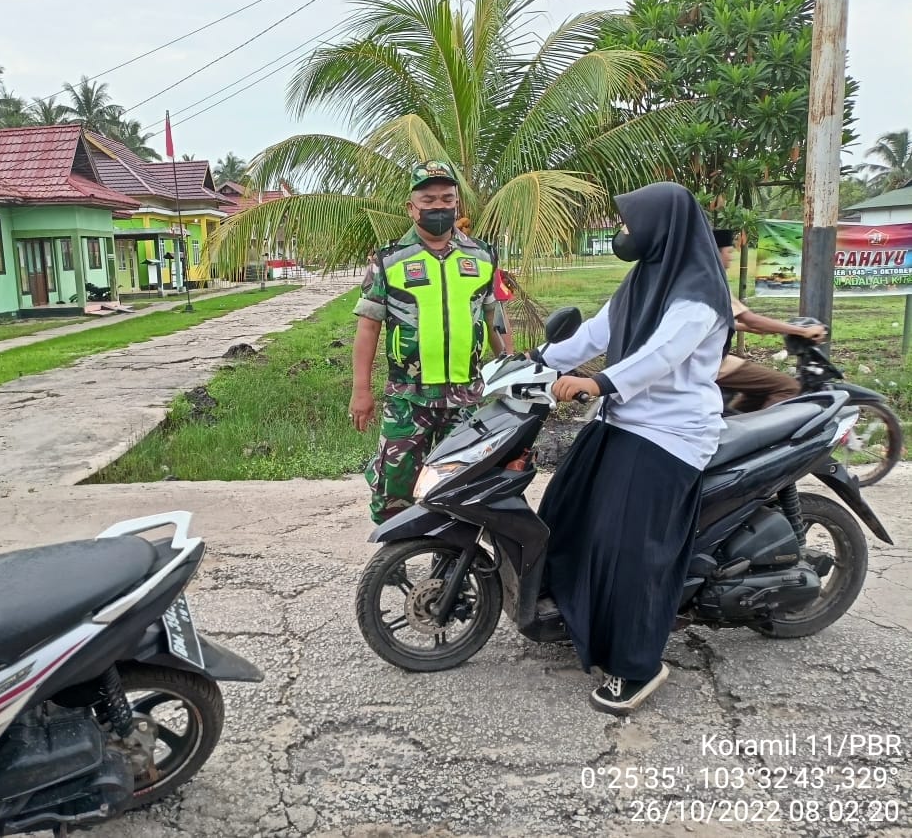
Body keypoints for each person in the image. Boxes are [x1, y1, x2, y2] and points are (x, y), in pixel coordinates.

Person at [532, 181, 735, 716]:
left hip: (671, 434)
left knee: (630, 547)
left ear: (658, 228)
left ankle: (637, 666)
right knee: (564, 506)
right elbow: (597, 334)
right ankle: (579, 615)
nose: (623, 233)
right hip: (626, 419)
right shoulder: (644, 279)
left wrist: (598, 384)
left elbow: (662, 356)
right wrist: (539, 360)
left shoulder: (697, 296)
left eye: (628, 224)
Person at [350, 160, 510, 525]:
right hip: (408, 397)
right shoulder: (388, 260)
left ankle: (450, 563)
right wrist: (361, 391)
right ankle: (395, 554)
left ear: (457, 204)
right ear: (412, 207)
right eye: (428, 199)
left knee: (462, 485)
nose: (438, 206)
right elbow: (368, 328)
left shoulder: (482, 256)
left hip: (466, 397)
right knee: (394, 486)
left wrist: (510, 370)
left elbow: (495, 318)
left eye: (446, 198)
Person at [712, 229, 827, 410]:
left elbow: (708, 322)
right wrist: (802, 331)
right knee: (788, 387)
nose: (732, 258)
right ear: (715, 252)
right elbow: (752, 319)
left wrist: (745, 328)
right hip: (713, 362)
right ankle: (762, 434)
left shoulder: (694, 276)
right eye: (729, 252)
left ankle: (740, 423)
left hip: (709, 357)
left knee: (758, 387)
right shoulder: (712, 280)